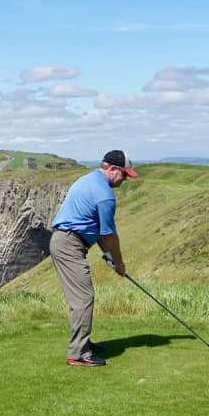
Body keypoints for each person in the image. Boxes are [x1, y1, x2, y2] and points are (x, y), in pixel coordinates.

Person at [48, 149, 138, 367]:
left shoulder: (88, 180)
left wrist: (107, 257)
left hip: (67, 240)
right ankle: (78, 354)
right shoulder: (105, 195)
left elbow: (93, 227)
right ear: (113, 169)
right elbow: (109, 235)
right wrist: (119, 262)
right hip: (69, 244)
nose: (125, 179)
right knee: (83, 298)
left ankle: (83, 343)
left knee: (81, 297)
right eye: (124, 174)